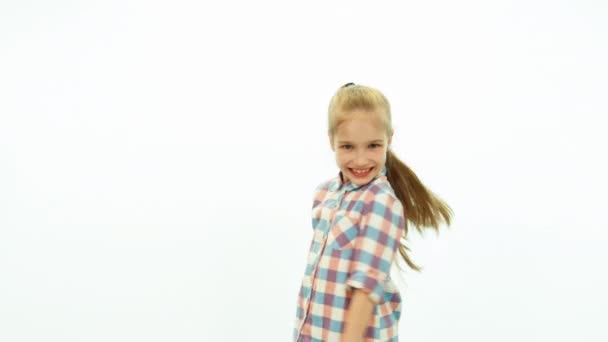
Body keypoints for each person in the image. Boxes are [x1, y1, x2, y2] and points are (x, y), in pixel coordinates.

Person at [293, 83, 453, 342]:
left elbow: (366, 288)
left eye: (373, 146)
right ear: (331, 140)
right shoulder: (325, 195)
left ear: (389, 139)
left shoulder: (381, 203)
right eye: (347, 147)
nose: (360, 159)